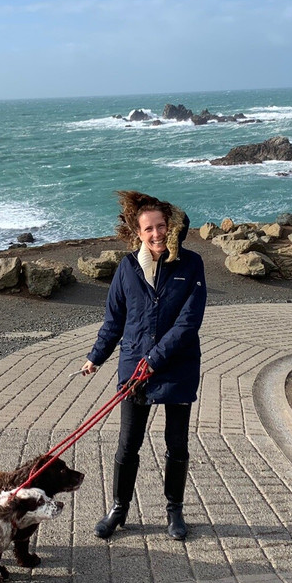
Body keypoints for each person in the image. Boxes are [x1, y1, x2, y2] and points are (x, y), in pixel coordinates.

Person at [80, 190, 207, 540]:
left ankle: (174, 512)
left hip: (177, 367)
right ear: (138, 233)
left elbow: (188, 322)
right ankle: (119, 510)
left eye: (161, 226)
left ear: (172, 226)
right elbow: (114, 320)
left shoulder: (191, 264)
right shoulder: (127, 268)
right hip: (135, 371)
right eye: (149, 229)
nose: (156, 234)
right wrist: (96, 356)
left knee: (177, 444)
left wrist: (154, 359)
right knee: (127, 445)